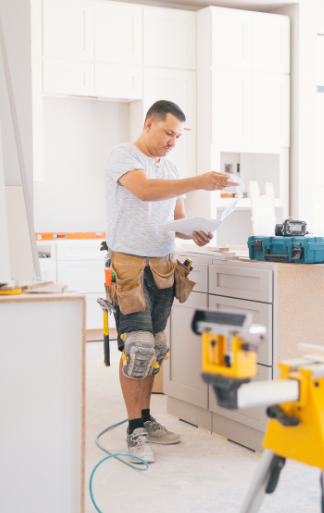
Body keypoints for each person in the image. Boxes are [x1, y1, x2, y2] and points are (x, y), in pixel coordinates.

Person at [104, 100, 238, 463]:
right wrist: (199, 182)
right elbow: (145, 191)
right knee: (139, 347)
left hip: (162, 268)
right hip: (129, 267)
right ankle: (133, 429)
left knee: (156, 347)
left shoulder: (172, 166)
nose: (172, 142)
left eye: (178, 136)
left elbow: (174, 216)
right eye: (168, 133)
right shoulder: (123, 156)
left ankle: (146, 420)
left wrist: (193, 231)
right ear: (149, 124)